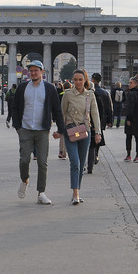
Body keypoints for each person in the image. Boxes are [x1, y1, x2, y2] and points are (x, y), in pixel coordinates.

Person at [9, 60, 65, 206]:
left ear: (42, 72)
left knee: (42, 162)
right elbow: (15, 108)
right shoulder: (22, 88)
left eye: (36, 70)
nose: (33, 73)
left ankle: (41, 192)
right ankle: (25, 180)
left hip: (42, 130)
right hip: (25, 129)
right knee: (24, 160)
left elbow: (57, 110)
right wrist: (17, 126)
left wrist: (61, 129)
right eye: (31, 71)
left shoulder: (49, 89)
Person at [61, 69, 100, 205]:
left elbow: (95, 114)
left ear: (85, 80)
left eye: (80, 79)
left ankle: (76, 191)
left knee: (82, 163)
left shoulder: (90, 95)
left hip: (85, 131)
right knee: (75, 162)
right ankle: (75, 193)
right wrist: (61, 130)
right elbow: (62, 113)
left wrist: (98, 132)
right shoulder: (67, 94)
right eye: (75, 79)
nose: (77, 82)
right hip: (71, 131)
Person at [87, 72, 112, 173]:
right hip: (101, 119)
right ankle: (95, 155)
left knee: (90, 139)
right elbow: (109, 108)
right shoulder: (105, 93)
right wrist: (110, 120)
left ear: (92, 79)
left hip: (89, 120)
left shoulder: (88, 93)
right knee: (98, 137)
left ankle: (91, 156)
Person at [123, 76, 138, 162]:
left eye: (131, 83)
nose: (129, 84)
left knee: (129, 137)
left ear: (136, 84)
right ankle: (137, 156)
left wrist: (128, 119)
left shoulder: (132, 94)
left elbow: (130, 107)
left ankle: (129, 155)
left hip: (133, 118)